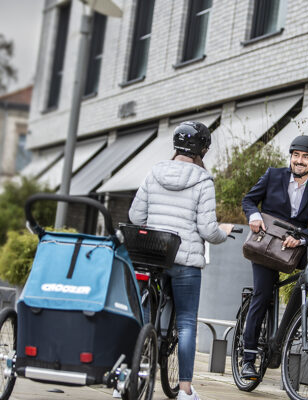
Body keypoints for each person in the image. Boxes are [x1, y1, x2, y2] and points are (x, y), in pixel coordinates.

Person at [129, 121, 234, 400]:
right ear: (202, 150)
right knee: (186, 322)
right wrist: (223, 233)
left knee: (144, 317)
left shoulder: (154, 173)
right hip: (185, 261)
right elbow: (208, 230)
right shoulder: (203, 181)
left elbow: (136, 218)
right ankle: (185, 391)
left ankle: (128, 378)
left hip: (153, 257)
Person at [239, 135, 308, 379]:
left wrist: (302, 238)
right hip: (266, 244)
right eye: (295, 155)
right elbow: (249, 200)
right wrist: (253, 215)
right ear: (291, 157)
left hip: (297, 245)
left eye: (305, 157)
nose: (299, 161)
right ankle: (248, 359)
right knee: (262, 295)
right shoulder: (273, 175)